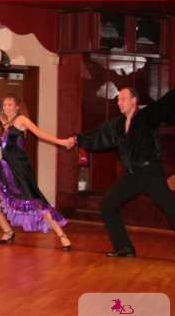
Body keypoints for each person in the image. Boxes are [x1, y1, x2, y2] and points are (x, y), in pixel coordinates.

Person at [73, 86, 175, 257]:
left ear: (134, 101)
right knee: (108, 205)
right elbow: (98, 135)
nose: (119, 103)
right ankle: (124, 247)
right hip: (132, 174)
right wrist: (77, 140)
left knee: (171, 208)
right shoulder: (118, 124)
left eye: (123, 99)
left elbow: (166, 103)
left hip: (150, 172)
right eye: (118, 100)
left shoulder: (146, 116)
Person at [0, 69, 75, 250]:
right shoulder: (4, 122)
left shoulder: (21, 120)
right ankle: (8, 231)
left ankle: (62, 236)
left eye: (9, 105)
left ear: (17, 107)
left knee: (38, 204)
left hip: (21, 170)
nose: (6, 107)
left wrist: (62, 142)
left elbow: (40, 134)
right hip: (4, 169)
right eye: (5, 105)